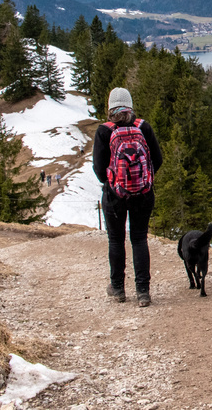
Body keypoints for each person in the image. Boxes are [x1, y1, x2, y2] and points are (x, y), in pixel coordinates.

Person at [93, 87, 162, 307]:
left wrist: (114, 183)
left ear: (110, 108)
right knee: (139, 239)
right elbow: (157, 160)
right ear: (130, 106)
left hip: (115, 196)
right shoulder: (143, 127)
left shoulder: (104, 131)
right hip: (143, 193)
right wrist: (143, 181)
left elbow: (98, 168)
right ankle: (143, 292)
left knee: (116, 239)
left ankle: (118, 289)